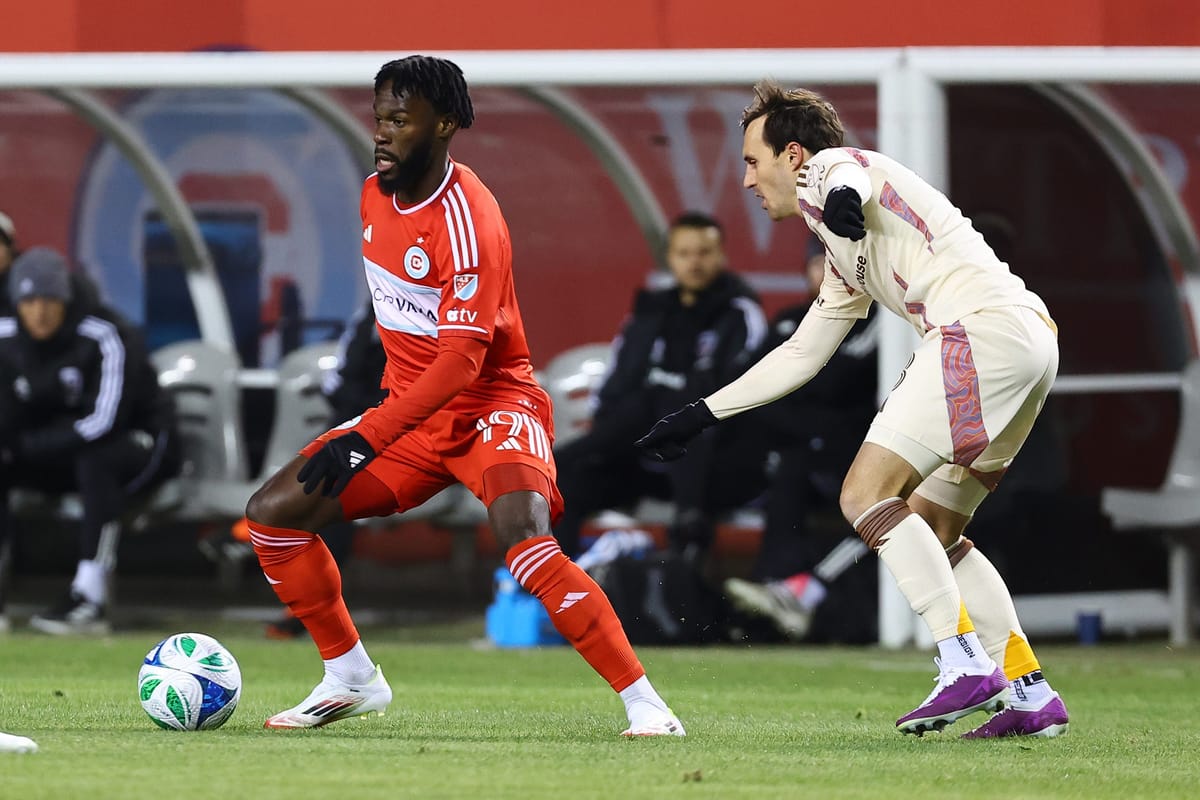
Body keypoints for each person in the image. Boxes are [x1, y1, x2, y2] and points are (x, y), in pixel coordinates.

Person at [243, 55, 683, 736]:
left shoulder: (469, 221)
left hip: (492, 409)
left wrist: (366, 435)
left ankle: (647, 705)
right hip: (412, 421)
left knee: (525, 540)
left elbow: (459, 365)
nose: (382, 132)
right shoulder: (371, 195)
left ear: (444, 124)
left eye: (400, 118)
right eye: (379, 117)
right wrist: (377, 423)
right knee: (273, 515)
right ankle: (350, 677)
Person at [637, 80, 1069, 739]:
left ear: (791, 154)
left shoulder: (836, 173)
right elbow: (803, 353)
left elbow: (845, 175)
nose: (749, 181)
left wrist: (838, 198)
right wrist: (704, 412)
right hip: (1028, 342)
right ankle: (1030, 692)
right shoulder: (844, 251)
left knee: (865, 493)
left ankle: (962, 663)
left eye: (752, 163)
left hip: (978, 332)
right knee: (936, 526)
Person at [553, 211, 767, 564]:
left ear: (721, 256)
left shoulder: (740, 314)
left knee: (673, 404)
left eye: (703, 252)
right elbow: (614, 388)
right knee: (569, 484)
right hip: (639, 459)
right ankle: (553, 591)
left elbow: (738, 395)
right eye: (684, 253)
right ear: (670, 258)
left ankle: (684, 598)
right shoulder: (650, 313)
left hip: (712, 463)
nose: (694, 263)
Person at [0, 248, 181, 634]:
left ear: (66, 299)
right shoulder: (7, 337)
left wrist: (25, 446)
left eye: (50, 300)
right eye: (29, 301)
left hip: (143, 448)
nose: (40, 311)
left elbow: (104, 422)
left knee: (97, 460)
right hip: (60, 450)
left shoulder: (105, 334)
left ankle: (89, 596)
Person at [724, 237, 878, 640]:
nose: (826, 273)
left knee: (892, 515)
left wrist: (800, 405)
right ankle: (774, 590)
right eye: (818, 264)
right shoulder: (790, 321)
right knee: (787, 470)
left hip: (861, 459)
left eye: (836, 263)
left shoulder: (882, 326)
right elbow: (757, 389)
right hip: (799, 453)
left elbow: (840, 390)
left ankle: (798, 593)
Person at [264, 299, 387, 640]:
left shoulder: (426, 314)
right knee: (314, 484)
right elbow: (336, 383)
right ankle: (303, 595)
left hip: (405, 437)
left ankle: (310, 605)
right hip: (357, 430)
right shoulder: (368, 315)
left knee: (337, 497)